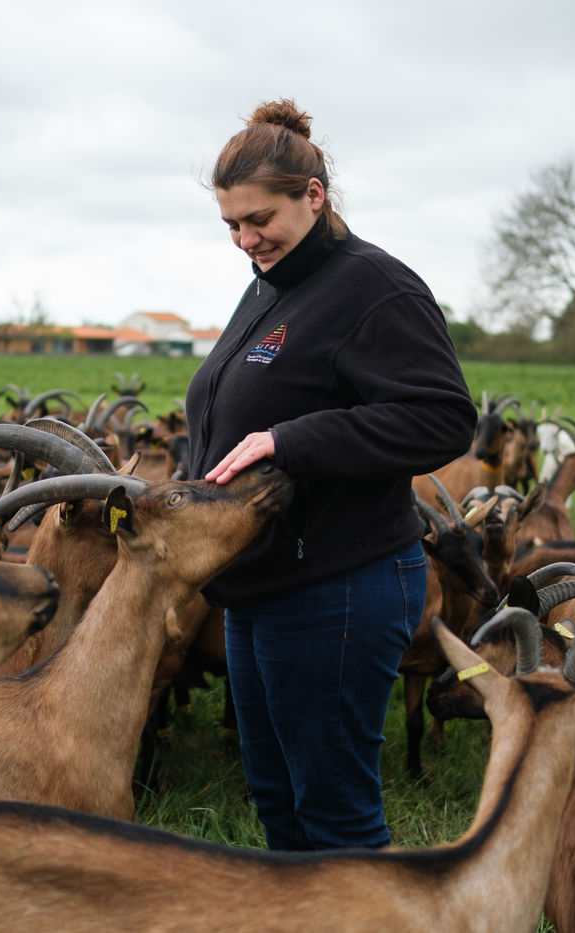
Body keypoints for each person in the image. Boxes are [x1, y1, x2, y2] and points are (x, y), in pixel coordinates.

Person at [184, 99, 477, 851]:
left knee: (334, 817)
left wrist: (289, 439)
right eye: (231, 226)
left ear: (313, 195)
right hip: (261, 581)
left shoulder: (375, 287)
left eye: (259, 220)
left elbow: (442, 418)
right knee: (278, 800)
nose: (246, 241)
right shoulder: (270, 284)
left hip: (337, 584)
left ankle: (369, 904)